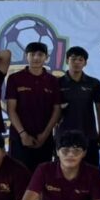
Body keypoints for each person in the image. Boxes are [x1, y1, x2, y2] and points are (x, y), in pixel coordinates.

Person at [5, 41, 61, 172]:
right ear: (26, 56)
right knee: (18, 175)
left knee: (42, 177)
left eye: (40, 54)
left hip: (44, 138)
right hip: (19, 138)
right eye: (32, 54)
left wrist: (45, 134)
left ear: (46, 57)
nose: (36, 58)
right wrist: (23, 134)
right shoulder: (15, 78)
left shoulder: (53, 81)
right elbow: (11, 109)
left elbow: (57, 109)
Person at [57, 46, 100, 170]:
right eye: (73, 59)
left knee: (92, 171)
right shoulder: (57, 82)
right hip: (64, 135)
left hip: (88, 134)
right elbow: (52, 111)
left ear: (85, 62)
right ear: (67, 61)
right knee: (63, 171)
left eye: (80, 59)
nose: (77, 62)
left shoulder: (94, 83)